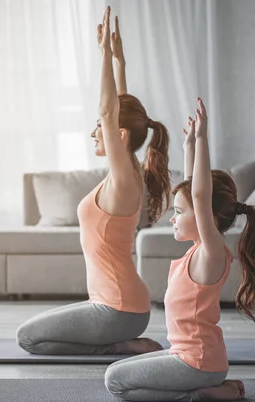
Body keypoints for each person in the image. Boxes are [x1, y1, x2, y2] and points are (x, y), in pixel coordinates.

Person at [16, 7, 171, 356]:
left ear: (118, 134)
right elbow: (122, 114)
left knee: (27, 338)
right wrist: (120, 63)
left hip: (117, 310)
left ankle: (118, 347)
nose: (92, 132)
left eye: (98, 127)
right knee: (36, 331)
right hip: (119, 304)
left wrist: (102, 52)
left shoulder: (125, 181)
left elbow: (111, 112)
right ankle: (120, 341)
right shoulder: (127, 172)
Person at [104, 97, 255, 401]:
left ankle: (204, 393)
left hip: (198, 364)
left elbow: (200, 194)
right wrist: (188, 146)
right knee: (118, 371)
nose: (173, 217)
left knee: (115, 381)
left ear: (207, 217)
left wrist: (203, 139)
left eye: (179, 212)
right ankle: (212, 387)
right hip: (190, 357)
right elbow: (195, 189)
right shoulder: (199, 250)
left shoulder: (211, 253)